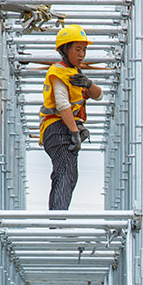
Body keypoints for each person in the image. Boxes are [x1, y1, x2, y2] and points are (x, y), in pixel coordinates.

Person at [39, 24, 103, 210]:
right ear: (64, 49)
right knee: (64, 172)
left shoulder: (75, 73)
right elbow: (62, 104)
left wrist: (88, 84)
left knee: (69, 175)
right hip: (58, 128)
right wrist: (74, 132)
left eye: (84, 49)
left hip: (64, 127)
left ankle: (58, 218)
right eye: (77, 49)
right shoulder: (58, 72)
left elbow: (98, 95)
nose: (82, 54)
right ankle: (57, 222)